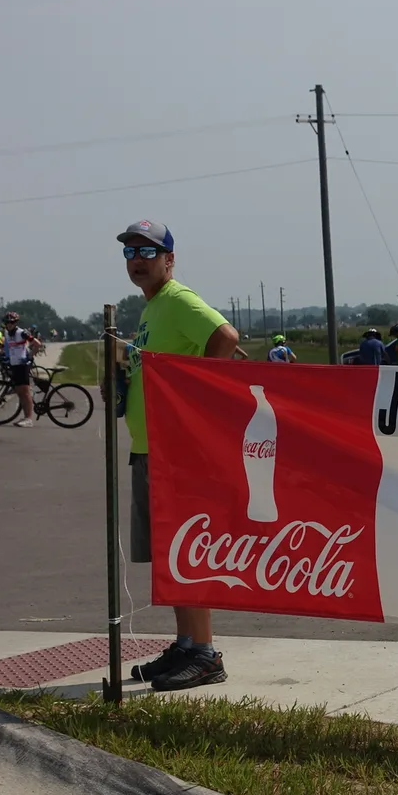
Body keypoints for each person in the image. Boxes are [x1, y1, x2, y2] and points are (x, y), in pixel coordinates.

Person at [116, 219, 240, 691]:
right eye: (130, 253)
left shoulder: (178, 300)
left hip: (176, 451)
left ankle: (205, 652)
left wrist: (198, 391)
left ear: (169, 259)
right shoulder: (151, 310)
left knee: (185, 551)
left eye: (148, 252)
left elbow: (225, 337)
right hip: (150, 447)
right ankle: (187, 644)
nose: (138, 261)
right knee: (171, 556)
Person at [0, 311, 41, 426]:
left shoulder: (22, 333)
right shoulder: (7, 333)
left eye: (12, 322)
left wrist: (29, 357)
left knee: (25, 392)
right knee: (20, 393)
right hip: (15, 365)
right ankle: (25, 417)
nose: (9, 324)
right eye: (7, 323)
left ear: (16, 322)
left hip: (22, 365)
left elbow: (37, 344)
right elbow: (9, 348)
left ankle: (28, 419)